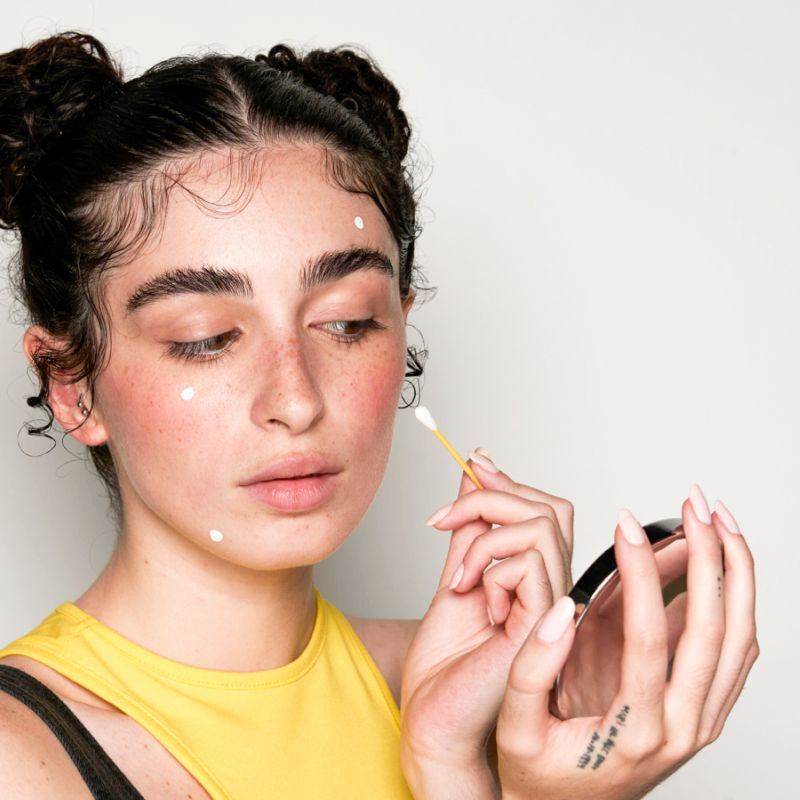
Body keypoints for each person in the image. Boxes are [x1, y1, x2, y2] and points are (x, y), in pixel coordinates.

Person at [0, 31, 758, 799]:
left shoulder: (486, 699)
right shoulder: (19, 757)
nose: (297, 399)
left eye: (347, 322)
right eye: (207, 338)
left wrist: (460, 766)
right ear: (71, 384)